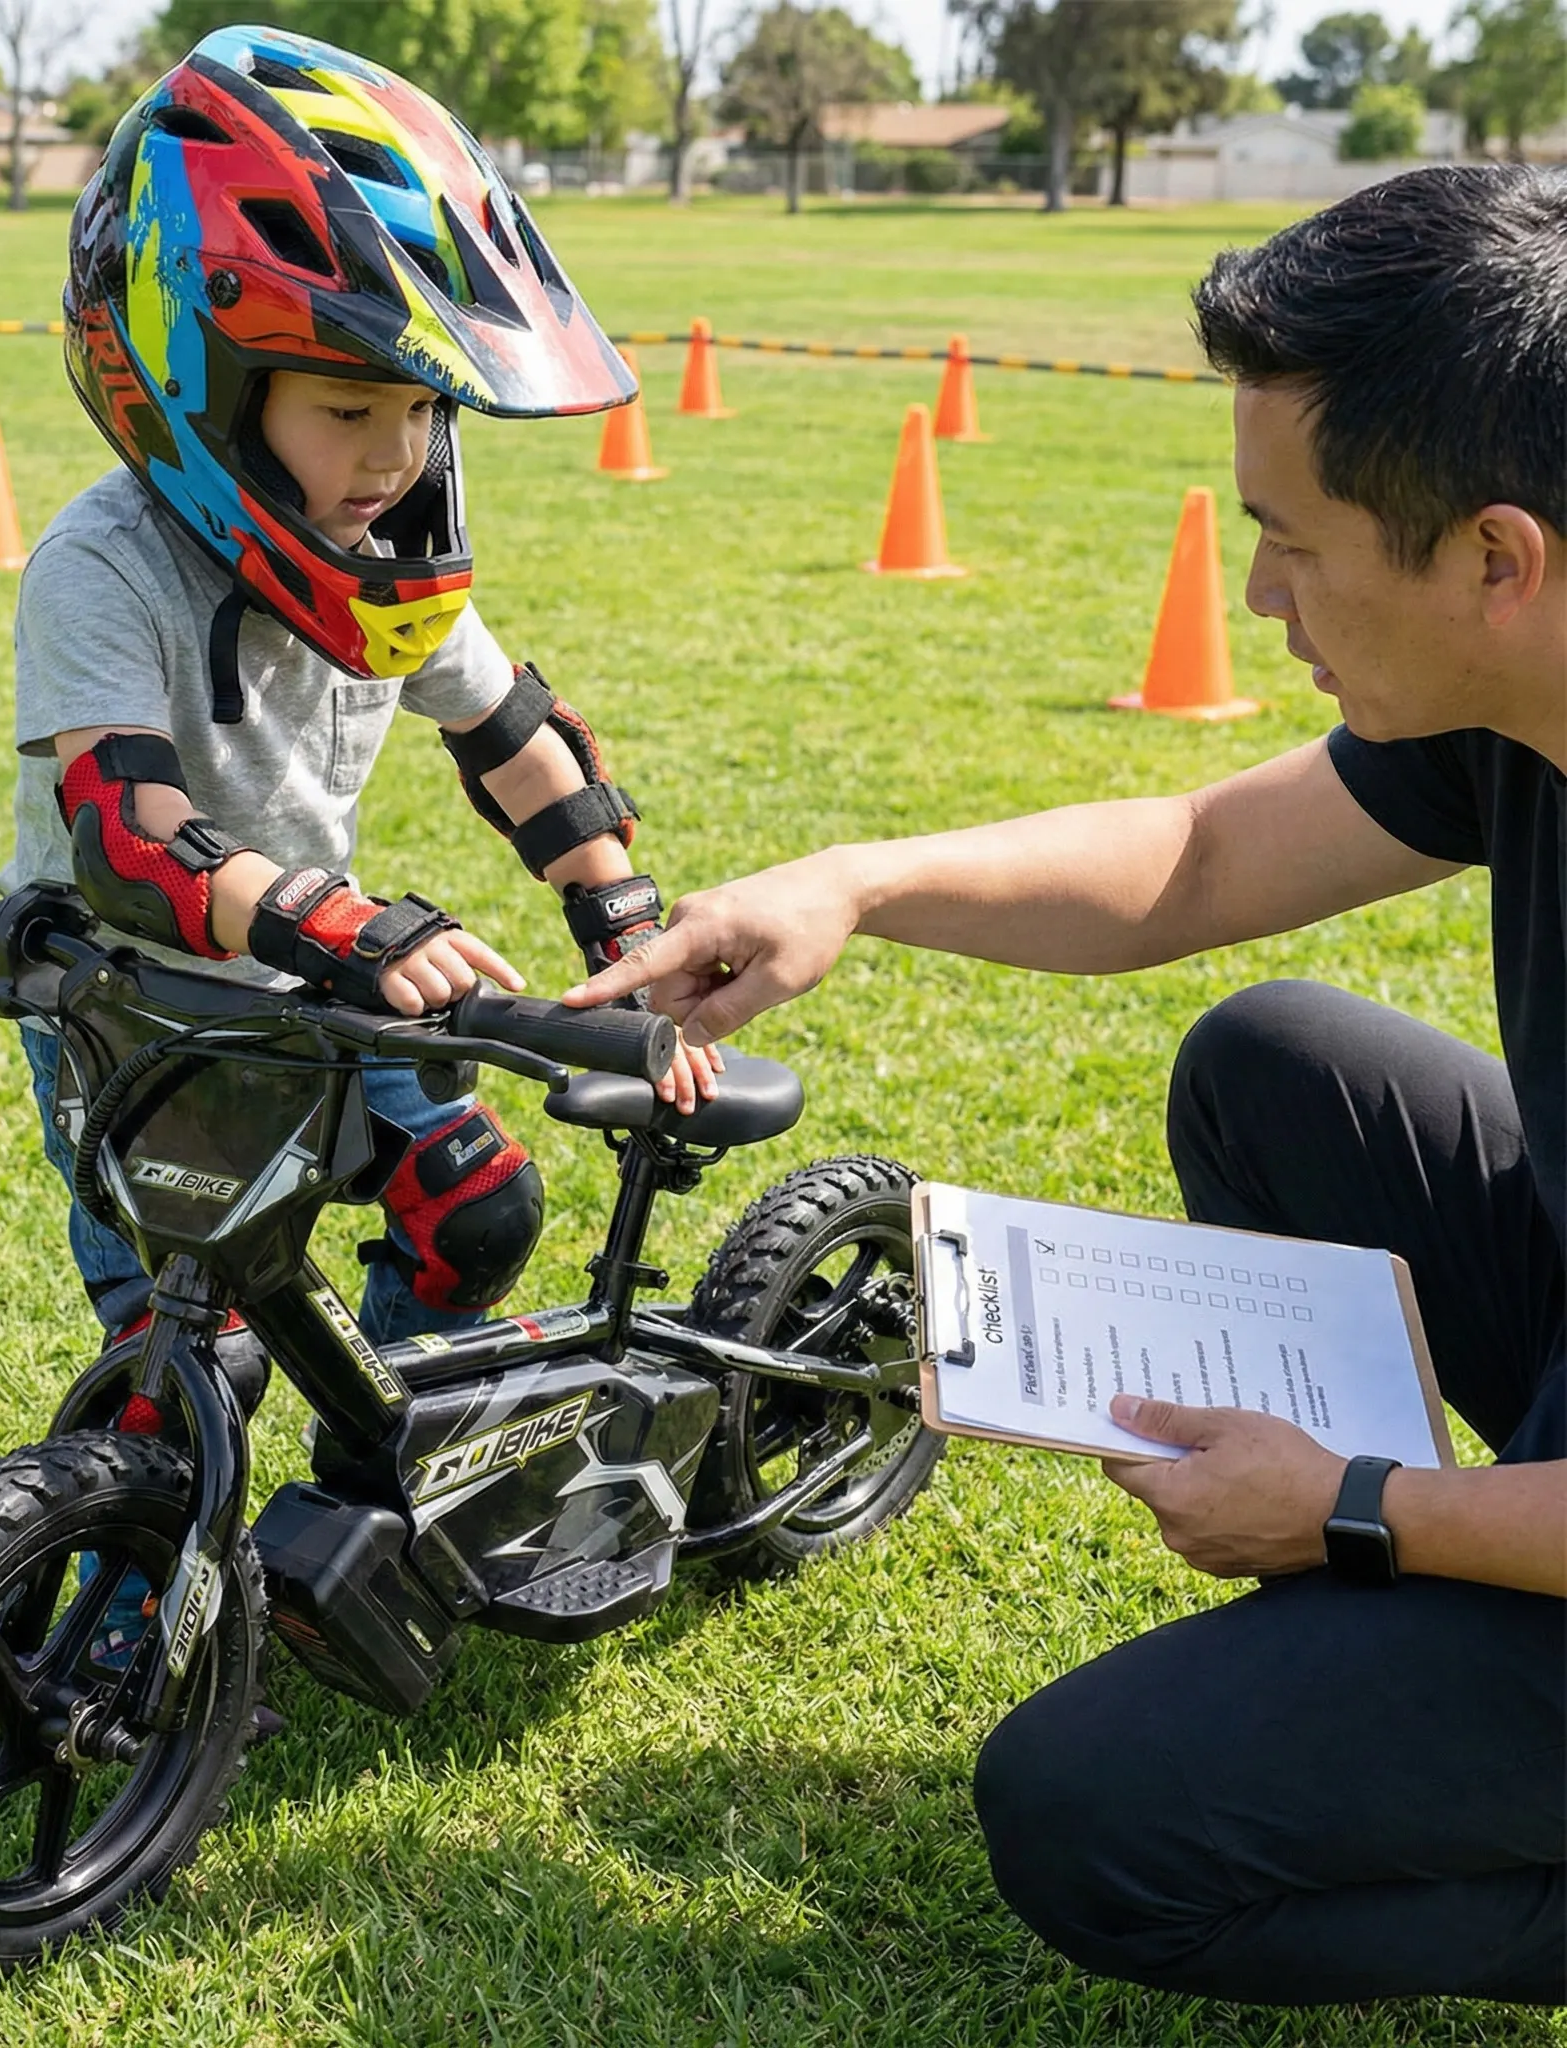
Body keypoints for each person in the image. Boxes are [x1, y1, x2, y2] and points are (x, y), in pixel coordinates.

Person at [566, 164, 1565, 2007]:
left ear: (1496, 561)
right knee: (1278, 1068)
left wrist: (1359, 1507)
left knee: (1087, 1818)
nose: (1257, 592)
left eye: (1294, 541)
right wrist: (855, 884)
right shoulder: (1517, 696)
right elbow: (1198, 857)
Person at [0, 27, 715, 1658]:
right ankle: (122, 1642)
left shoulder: (377, 544)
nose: (394, 456)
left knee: (474, 1211)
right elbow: (130, 834)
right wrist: (347, 924)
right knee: (190, 1351)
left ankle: (370, 1501)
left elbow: (515, 734)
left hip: (321, 975)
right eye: (347, 407)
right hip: (140, 1006)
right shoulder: (106, 569)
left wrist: (622, 917)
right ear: (197, 379)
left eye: (420, 407)